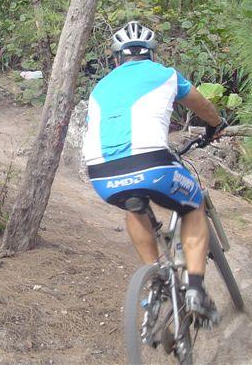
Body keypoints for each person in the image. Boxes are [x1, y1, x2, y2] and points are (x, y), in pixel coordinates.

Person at [83, 21, 227, 324]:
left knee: (133, 205)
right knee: (194, 204)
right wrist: (215, 125)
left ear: (116, 58)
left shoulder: (100, 86)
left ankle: (156, 275)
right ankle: (196, 291)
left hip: (101, 175)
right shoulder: (166, 75)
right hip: (152, 164)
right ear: (151, 54)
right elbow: (202, 106)